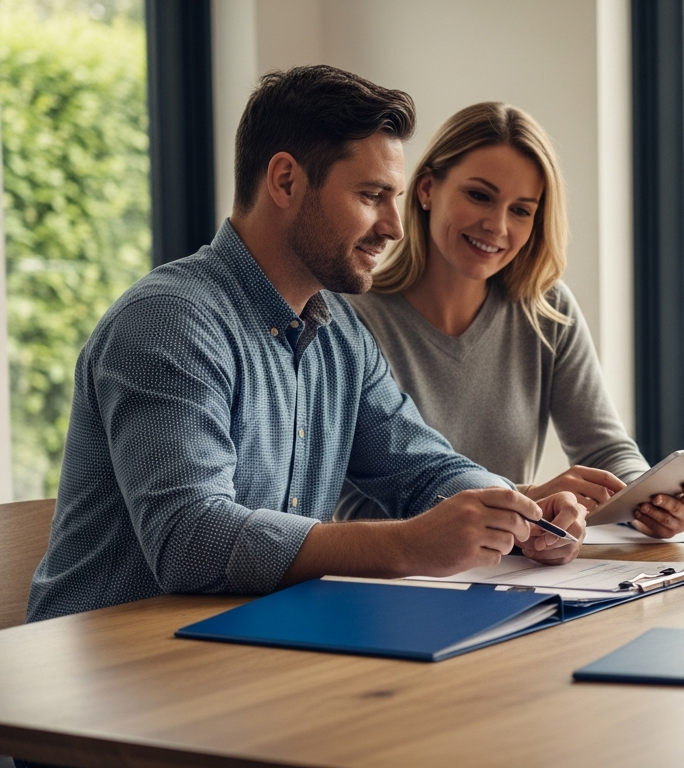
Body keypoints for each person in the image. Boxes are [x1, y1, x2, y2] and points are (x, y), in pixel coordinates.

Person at [26, 66, 586, 625]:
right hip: (117, 661)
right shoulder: (168, 322)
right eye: (372, 196)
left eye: (394, 198)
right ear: (286, 181)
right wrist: (407, 545)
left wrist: (518, 512)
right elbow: (190, 539)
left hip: (256, 640)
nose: (394, 227)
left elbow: (423, 467)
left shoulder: (340, 334)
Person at [334, 102, 684, 538]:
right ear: (427, 189)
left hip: (514, 561)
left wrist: (647, 500)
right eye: (479, 196)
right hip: (402, 567)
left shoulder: (546, 310)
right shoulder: (350, 318)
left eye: (521, 210)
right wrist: (526, 498)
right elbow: (360, 502)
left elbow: (604, 448)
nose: (497, 226)